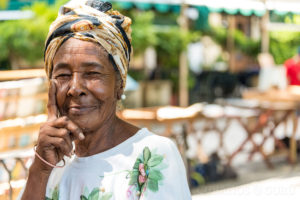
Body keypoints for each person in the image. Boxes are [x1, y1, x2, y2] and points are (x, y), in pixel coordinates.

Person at [19, 0, 191, 199]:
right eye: (63, 75)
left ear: (120, 85)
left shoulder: (151, 156)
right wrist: (39, 170)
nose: (75, 89)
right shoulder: (50, 164)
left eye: (92, 73)